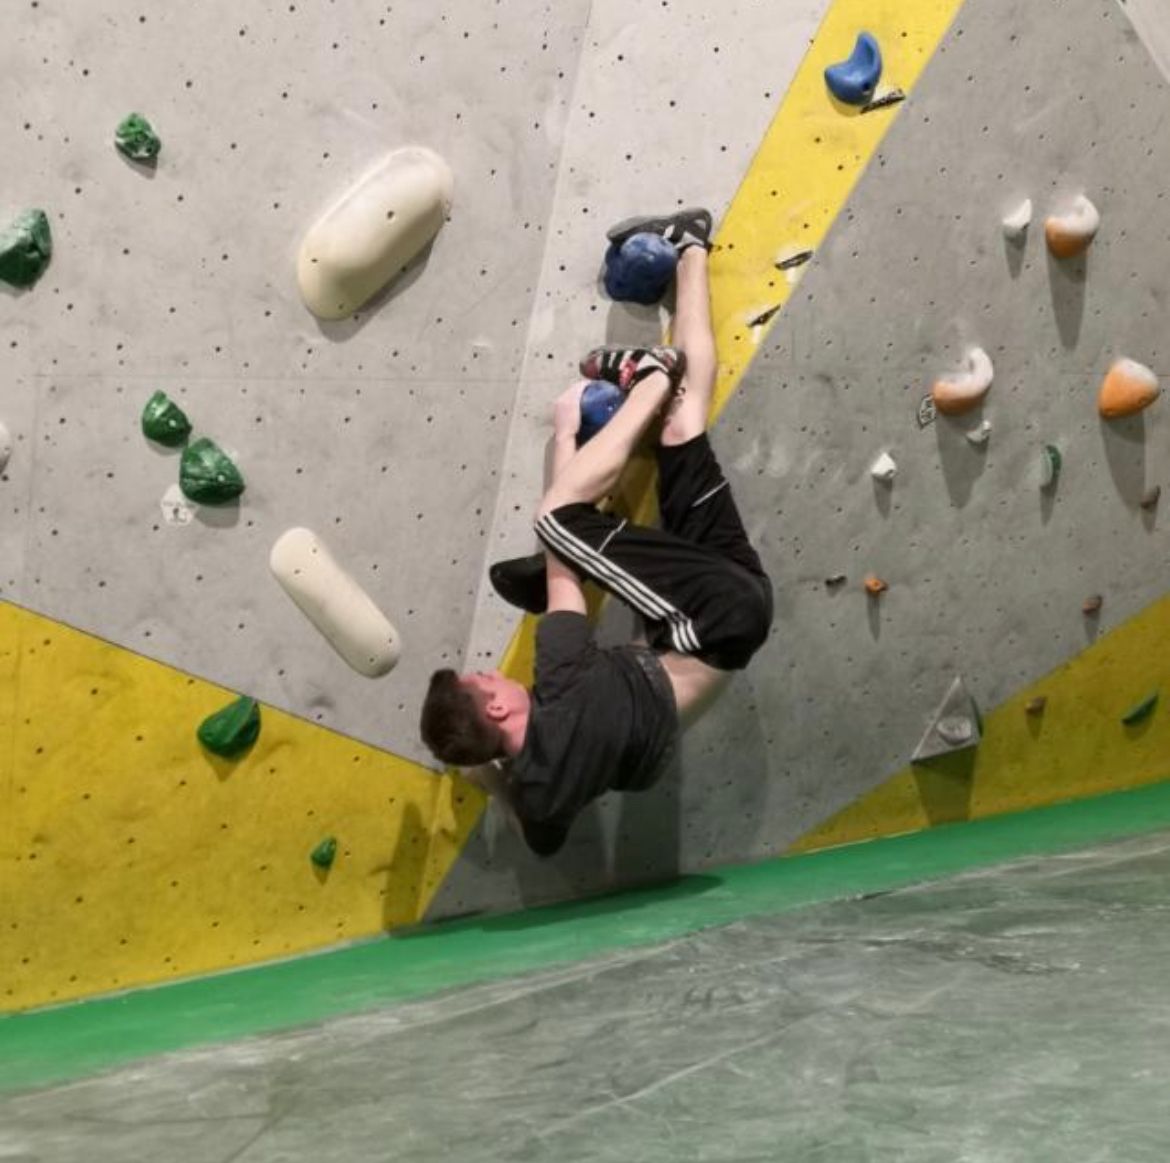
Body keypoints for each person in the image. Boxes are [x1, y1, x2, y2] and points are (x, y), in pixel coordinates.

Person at [420, 208, 774, 856]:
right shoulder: (560, 678)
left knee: (683, 424)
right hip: (708, 615)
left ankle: (690, 243)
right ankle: (649, 378)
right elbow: (563, 551)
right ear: (497, 711)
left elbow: (542, 839)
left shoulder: (541, 791)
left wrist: (489, 777)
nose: (493, 675)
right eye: (484, 682)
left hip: (722, 616)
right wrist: (563, 432)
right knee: (558, 518)